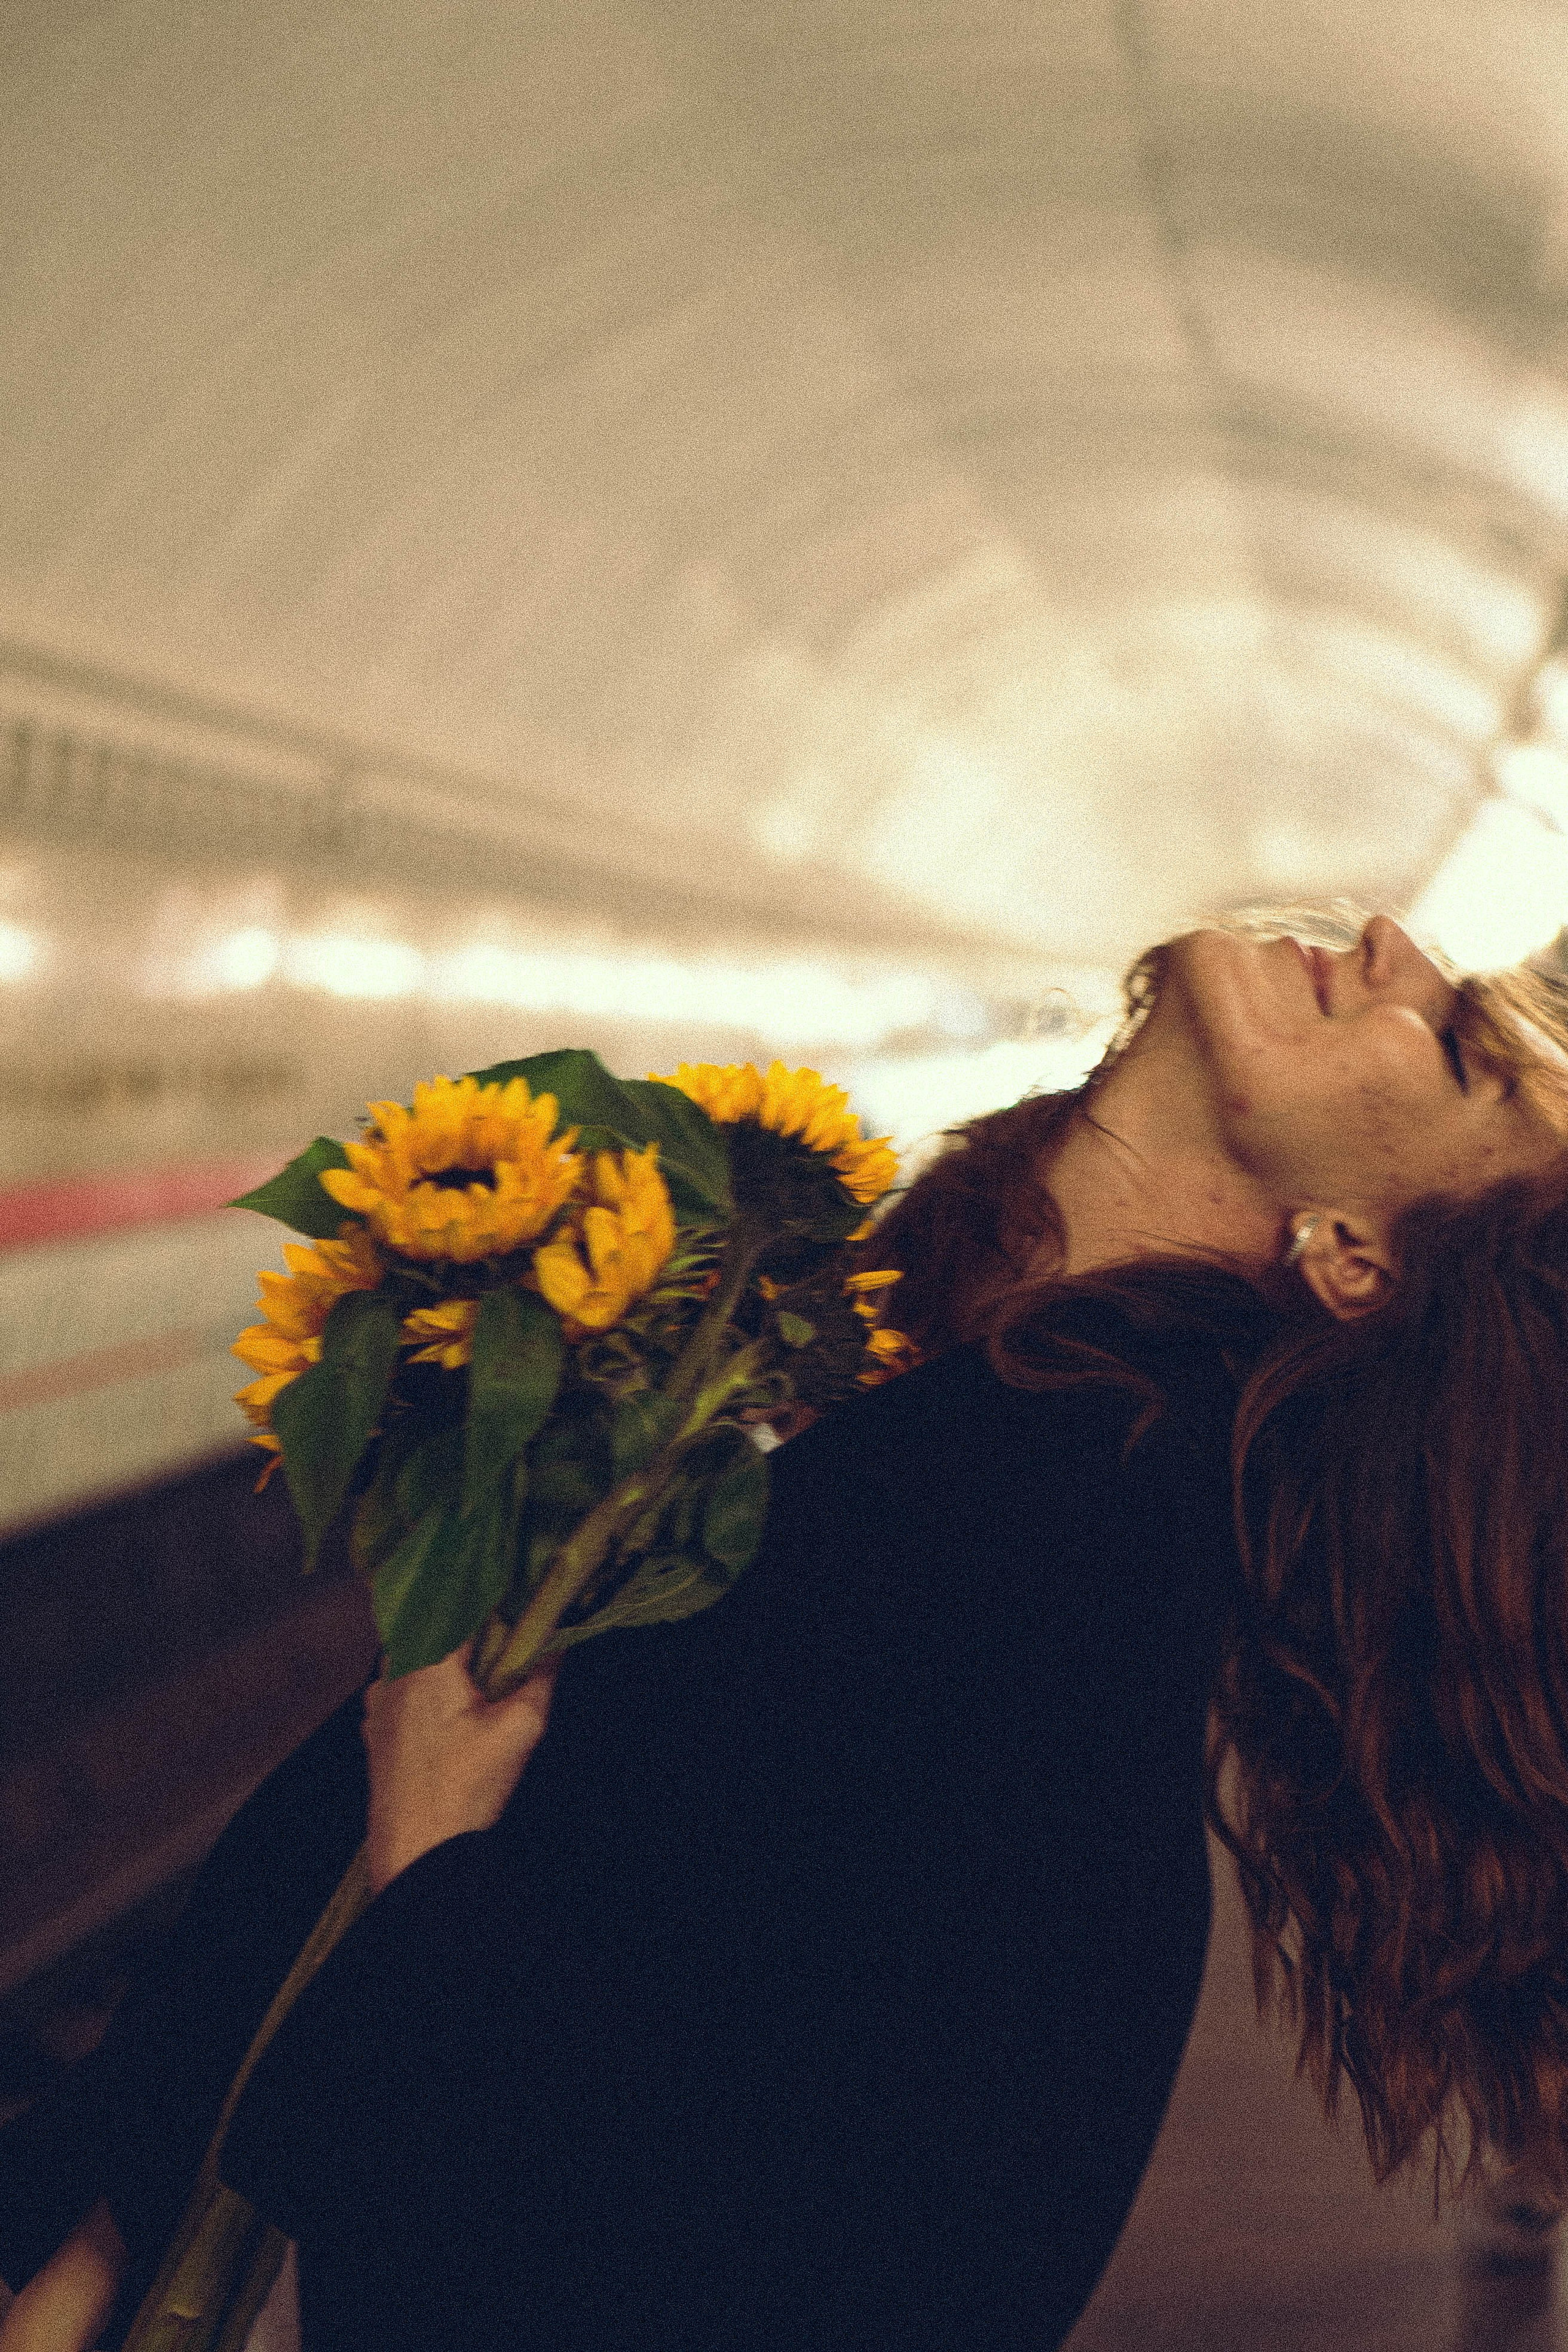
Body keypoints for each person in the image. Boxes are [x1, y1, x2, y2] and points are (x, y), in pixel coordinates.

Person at [6, 911, 1568, 2350]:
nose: (1389, 936)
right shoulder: (913, 1384)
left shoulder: (1073, 1550)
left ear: (1350, 1254)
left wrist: (431, 1862)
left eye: (1450, 1051)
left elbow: (907, 2271)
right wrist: (110, 2211)